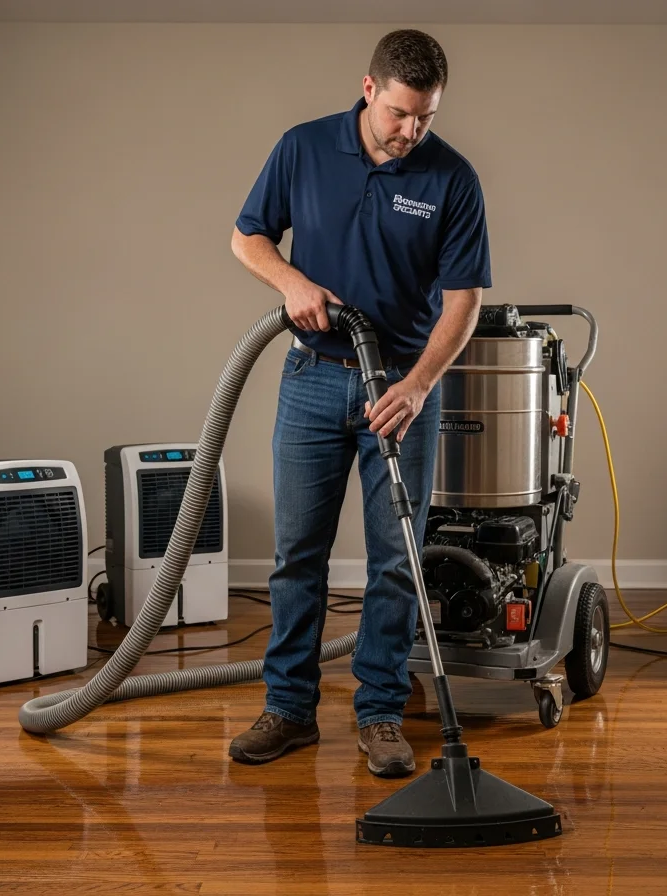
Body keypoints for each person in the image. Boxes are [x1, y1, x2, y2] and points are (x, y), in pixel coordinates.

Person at [227, 29, 491, 778]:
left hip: (401, 390)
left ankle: (380, 714)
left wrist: (419, 386)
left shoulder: (452, 178)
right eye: (400, 113)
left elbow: (464, 301)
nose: (411, 131)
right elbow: (247, 237)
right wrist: (291, 282)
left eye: (426, 117)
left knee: (396, 561)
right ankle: (288, 709)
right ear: (369, 89)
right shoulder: (303, 147)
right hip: (312, 376)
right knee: (296, 556)